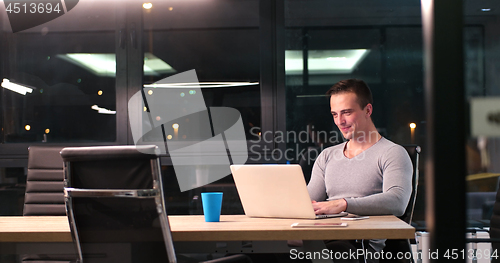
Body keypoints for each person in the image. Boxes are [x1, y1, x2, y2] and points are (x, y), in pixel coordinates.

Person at [307, 79, 413, 263]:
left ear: (368, 110)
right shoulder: (327, 156)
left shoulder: (392, 153)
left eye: (347, 112)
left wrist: (344, 204)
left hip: (360, 246)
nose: (340, 121)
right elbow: (308, 203)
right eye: (335, 114)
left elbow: (397, 201)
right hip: (323, 237)